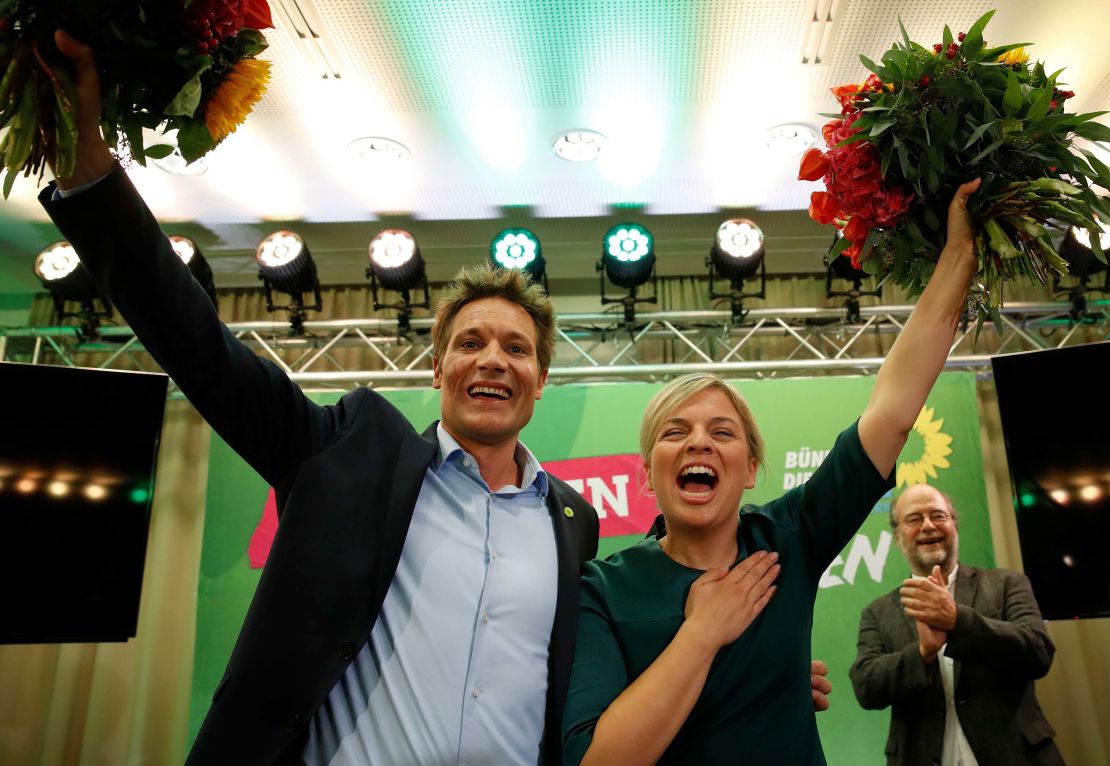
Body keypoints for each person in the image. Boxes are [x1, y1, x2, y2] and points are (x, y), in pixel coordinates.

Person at [34, 31, 834, 766]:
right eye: (471, 343)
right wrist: (88, 166)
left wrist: (748, 675)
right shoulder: (348, 455)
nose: (494, 359)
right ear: (439, 368)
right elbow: (201, 351)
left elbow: (600, 700)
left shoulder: (574, 525)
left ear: (540, 382)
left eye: (517, 348)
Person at [561, 178, 985, 765]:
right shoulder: (602, 590)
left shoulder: (787, 537)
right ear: (647, 476)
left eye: (722, 432)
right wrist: (704, 634)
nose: (699, 444)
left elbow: (891, 414)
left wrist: (959, 255)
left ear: (753, 467)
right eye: (675, 432)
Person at [849, 484, 1064, 765]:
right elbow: (866, 687)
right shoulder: (877, 612)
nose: (928, 526)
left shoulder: (1006, 584)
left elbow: (1039, 652)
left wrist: (957, 621)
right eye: (914, 519)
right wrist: (922, 654)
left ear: (954, 526)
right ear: (897, 537)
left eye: (938, 516)